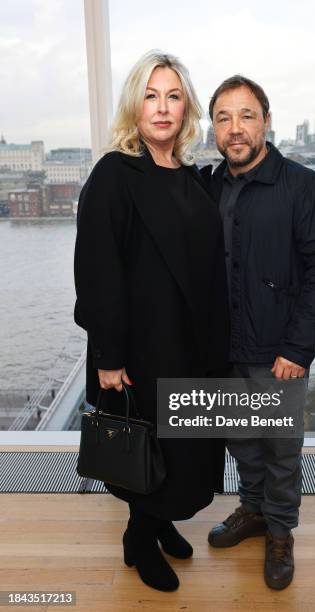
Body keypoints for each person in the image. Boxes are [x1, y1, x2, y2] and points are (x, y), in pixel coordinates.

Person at [73, 50, 229, 592]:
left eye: (173, 96)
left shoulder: (190, 177)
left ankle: (160, 523)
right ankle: (139, 537)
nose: (162, 108)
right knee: (151, 446)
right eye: (150, 95)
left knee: (186, 447)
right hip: (142, 347)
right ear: (134, 106)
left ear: (186, 110)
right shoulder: (115, 173)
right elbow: (97, 270)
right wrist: (109, 358)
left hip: (192, 344)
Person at [203, 75, 315, 590]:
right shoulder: (207, 186)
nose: (235, 128)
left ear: (267, 121)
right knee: (241, 441)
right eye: (224, 118)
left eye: (246, 116)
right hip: (223, 352)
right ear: (213, 129)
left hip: (278, 355)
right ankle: (253, 510)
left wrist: (298, 347)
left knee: (281, 450)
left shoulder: (303, 187)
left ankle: (281, 532)